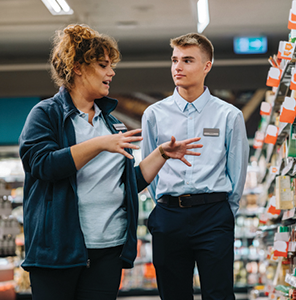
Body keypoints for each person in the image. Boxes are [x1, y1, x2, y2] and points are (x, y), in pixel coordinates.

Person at [18, 24, 202, 300]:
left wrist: (161, 154)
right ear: (78, 67)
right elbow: (42, 164)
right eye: (103, 65)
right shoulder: (46, 114)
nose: (111, 73)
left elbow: (127, 183)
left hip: (108, 250)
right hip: (58, 250)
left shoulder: (110, 123)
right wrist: (100, 144)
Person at [141, 33, 249, 300]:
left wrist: (224, 212)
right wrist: (165, 204)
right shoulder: (154, 115)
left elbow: (237, 172)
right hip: (168, 216)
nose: (178, 67)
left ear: (207, 66)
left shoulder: (229, 115)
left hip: (213, 215)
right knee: (173, 295)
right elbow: (148, 170)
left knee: (219, 294)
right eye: (175, 60)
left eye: (187, 60)